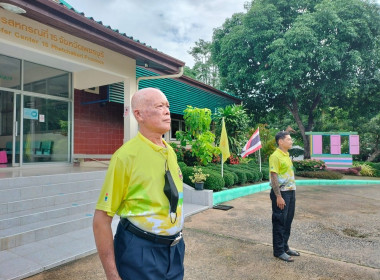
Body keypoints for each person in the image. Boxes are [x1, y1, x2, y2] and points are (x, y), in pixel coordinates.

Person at [93, 87, 185, 280]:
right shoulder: (125, 156)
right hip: (140, 251)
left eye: (167, 106)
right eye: (160, 106)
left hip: (175, 250)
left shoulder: (170, 152)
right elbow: (101, 220)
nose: (167, 111)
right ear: (139, 114)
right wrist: (112, 274)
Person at [269, 131, 300, 262]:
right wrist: (278, 196)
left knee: (288, 221)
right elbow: (274, 176)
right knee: (279, 222)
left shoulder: (286, 154)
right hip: (282, 194)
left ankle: (285, 247)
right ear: (280, 141)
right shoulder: (275, 156)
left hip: (291, 192)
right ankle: (279, 251)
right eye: (288, 139)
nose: (291, 141)